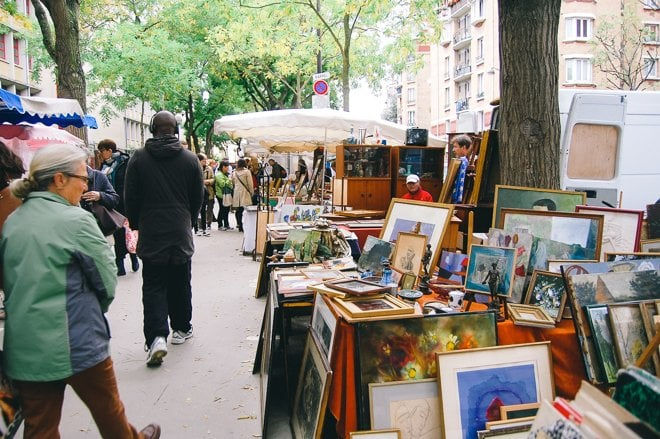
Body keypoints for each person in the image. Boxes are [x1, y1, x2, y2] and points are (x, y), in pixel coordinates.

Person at [0, 144, 160, 438]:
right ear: (59, 179)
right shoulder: (76, 221)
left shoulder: (13, 222)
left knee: (40, 426)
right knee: (108, 410)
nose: (86, 185)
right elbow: (106, 281)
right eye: (82, 178)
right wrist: (91, 309)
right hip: (77, 340)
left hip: (25, 345)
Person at [124, 110, 204, 366]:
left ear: (152, 129)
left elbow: (131, 195)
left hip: (152, 229)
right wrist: (189, 219)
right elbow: (198, 197)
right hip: (180, 229)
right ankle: (181, 327)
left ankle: (156, 337)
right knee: (181, 281)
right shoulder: (190, 160)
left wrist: (136, 223)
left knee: (154, 285)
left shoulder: (138, 159)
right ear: (176, 130)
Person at [98, 139, 139, 275]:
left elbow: (132, 183)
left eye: (102, 151)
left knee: (127, 232)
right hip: (111, 204)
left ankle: (133, 256)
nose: (100, 154)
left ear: (110, 150)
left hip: (125, 203)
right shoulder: (103, 166)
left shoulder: (125, 162)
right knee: (117, 232)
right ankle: (120, 263)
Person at [231, 158, 253, 233]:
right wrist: (251, 192)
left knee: (238, 210)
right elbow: (250, 183)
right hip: (245, 192)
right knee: (246, 209)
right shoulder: (247, 172)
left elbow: (233, 183)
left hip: (237, 192)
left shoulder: (234, 173)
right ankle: (245, 224)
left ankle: (239, 225)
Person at [194, 153, 213, 237]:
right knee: (196, 210)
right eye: (203, 161)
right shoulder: (194, 168)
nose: (205, 162)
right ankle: (196, 229)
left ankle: (204, 229)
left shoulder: (209, 169)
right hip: (195, 191)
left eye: (205, 160)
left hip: (205, 191)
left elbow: (213, 178)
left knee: (203, 210)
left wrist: (207, 181)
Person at [450, 134, 472, 203]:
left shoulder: (463, 163)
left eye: (455, 147)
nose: (453, 150)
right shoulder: (461, 162)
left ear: (463, 147)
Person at [214, 160, 233, 231]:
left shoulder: (225, 174)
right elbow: (222, 184)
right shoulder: (219, 175)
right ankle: (220, 225)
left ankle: (226, 224)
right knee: (222, 210)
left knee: (226, 210)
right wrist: (229, 180)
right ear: (222, 167)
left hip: (226, 194)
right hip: (221, 195)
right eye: (227, 167)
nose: (228, 168)